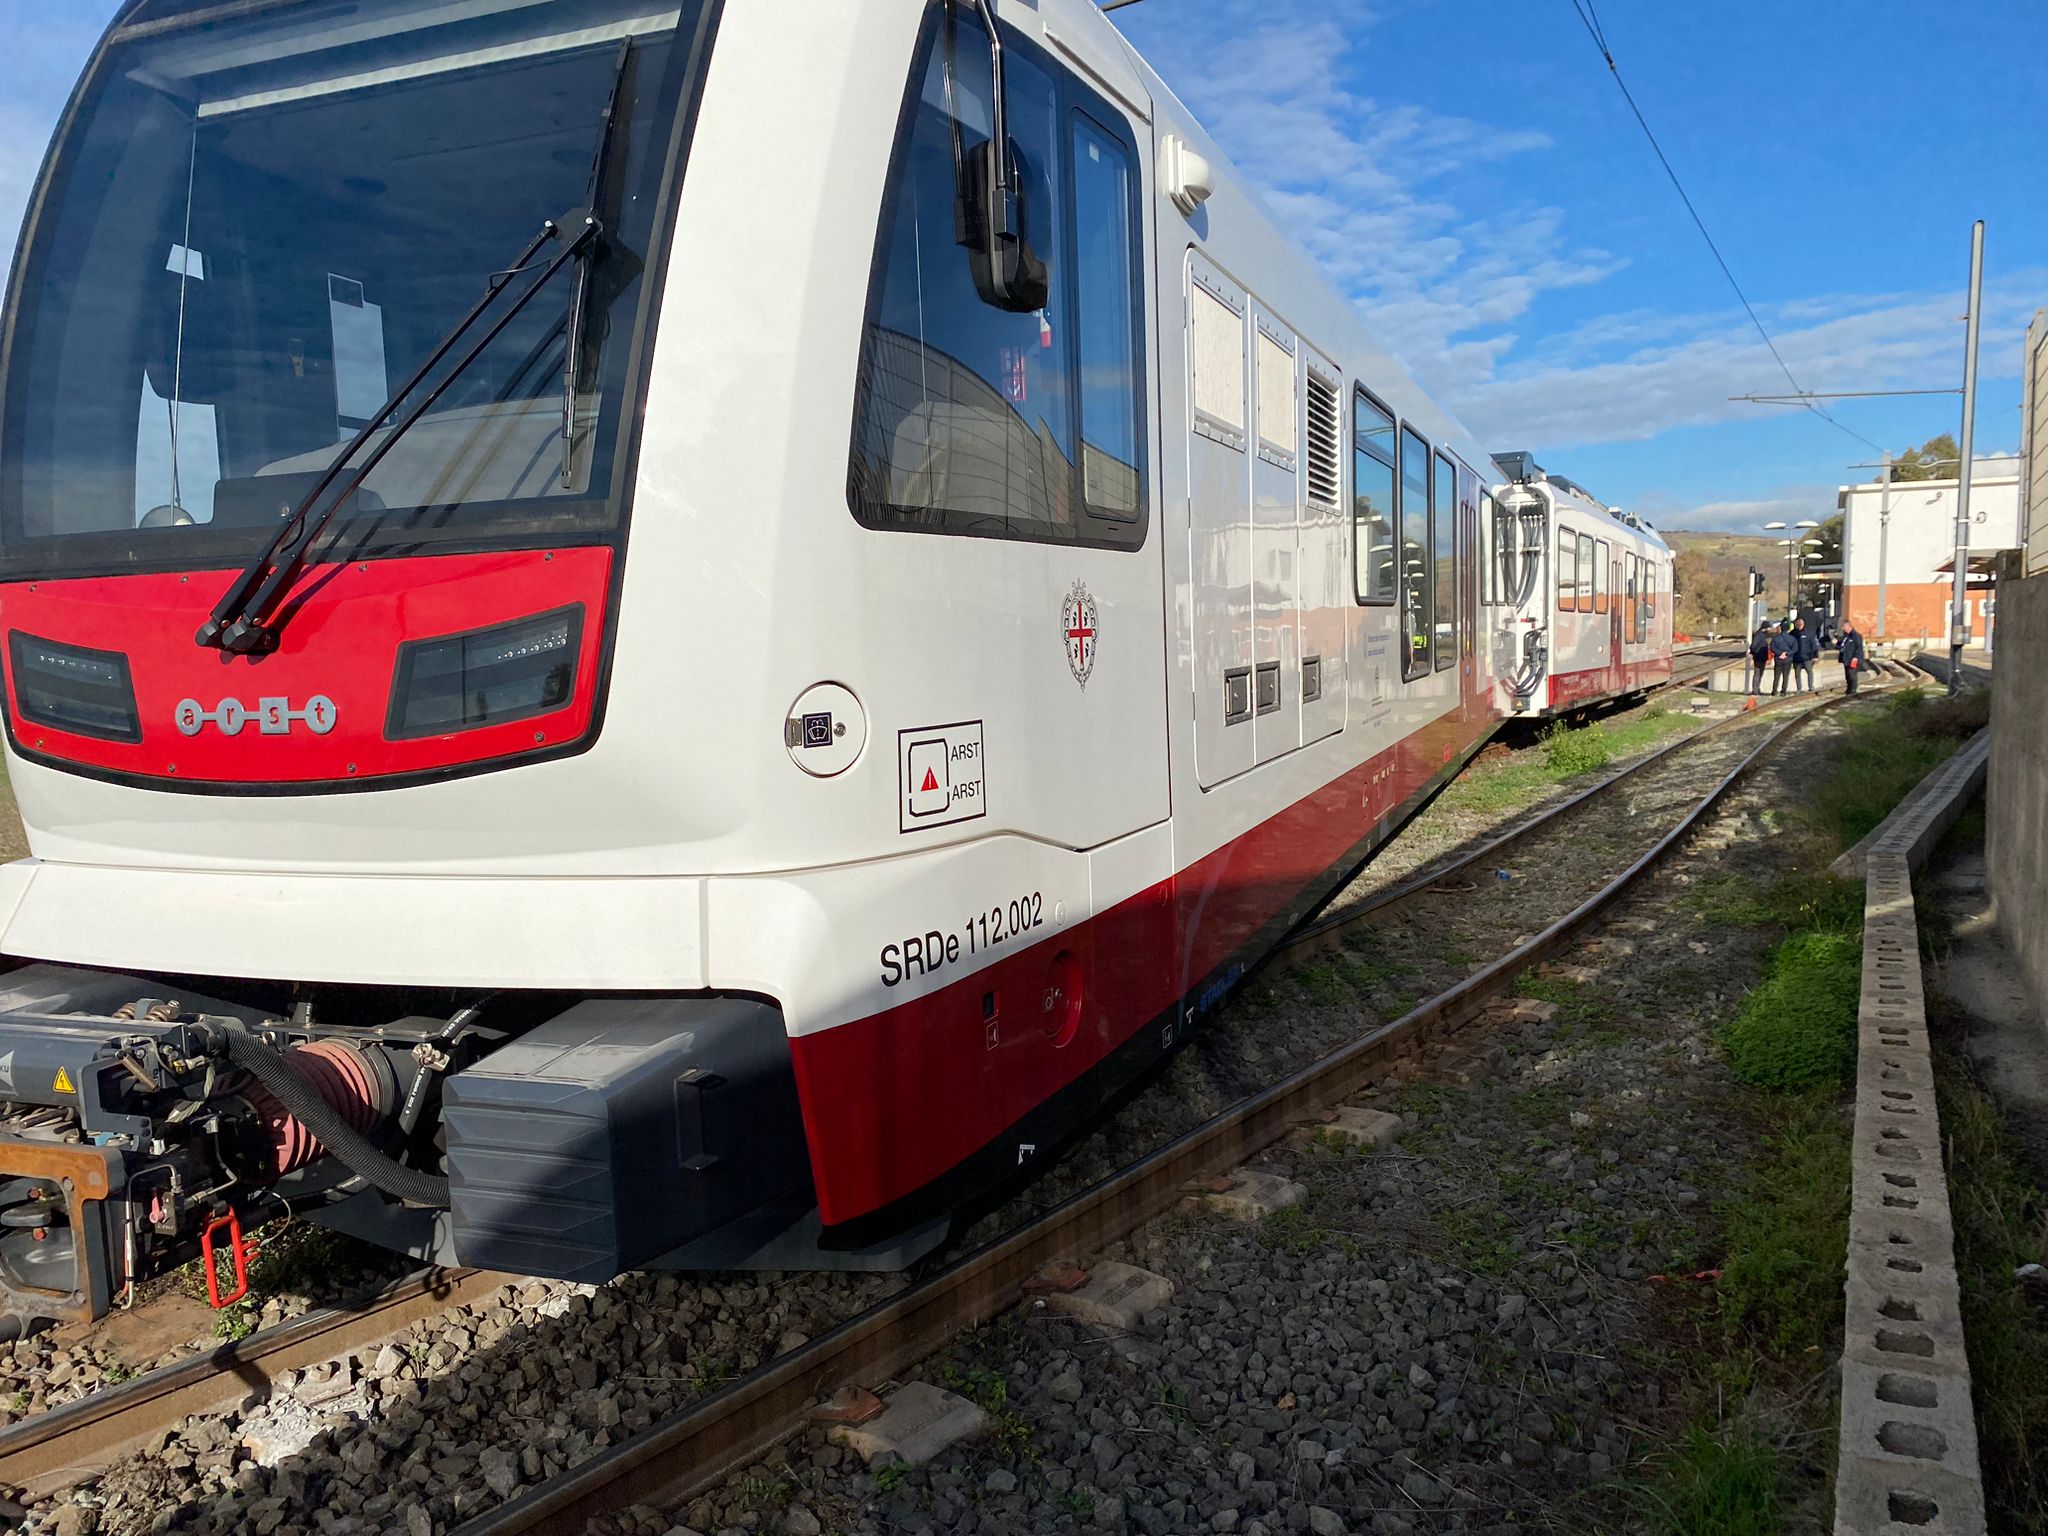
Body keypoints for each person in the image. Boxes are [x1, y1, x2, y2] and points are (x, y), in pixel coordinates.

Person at [1838, 622, 1866, 695]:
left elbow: (1859, 647)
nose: (1842, 628)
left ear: (1849, 627)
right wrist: (1836, 643)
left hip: (1853, 659)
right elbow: (1842, 646)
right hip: (1846, 659)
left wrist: (1856, 657)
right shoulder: (1846, 636)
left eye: (1844, 626)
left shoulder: (1856, 636)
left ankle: (1853, 690)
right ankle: (1849, 689)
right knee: (1847, 675)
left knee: (1852, 675)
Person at [1746, 620, 1772, 697]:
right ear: (1766, 627)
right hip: (1759, 657)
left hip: (1761, 657)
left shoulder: (1761, 634)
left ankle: (1757, 688)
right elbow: (1753, 646)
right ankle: (1755, 690)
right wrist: (1755, 653)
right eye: (1769, 627)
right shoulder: (1759, 635)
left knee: (1759, 673)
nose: (1770, 629)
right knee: (1757, 673)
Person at [1769, 621, 1795, 696]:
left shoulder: (1776, 638)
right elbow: (1795, 649)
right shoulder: (1792, 638)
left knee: (1776, 676)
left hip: (1778, 659)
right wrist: (1787, 654)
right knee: (1785, 676)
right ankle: (1783, 691)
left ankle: (1774, 691)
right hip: (1788, 659)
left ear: (1781, 628)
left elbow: (1772, 648)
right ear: (1788, 629)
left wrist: (1780, 653)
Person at [1794, 618, 1818, 693]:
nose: (1799, 626)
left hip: (1807, 657)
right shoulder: (1793, 633)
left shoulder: (1809, 633)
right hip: (1797, 658)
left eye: (1800, 624)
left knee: (1810, 672)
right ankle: (1799, 688)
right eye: (1798, 625)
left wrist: (1815, 655)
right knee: (1797, 674)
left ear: (1803, 624)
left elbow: (1814, 645)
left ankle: (1811, 687)